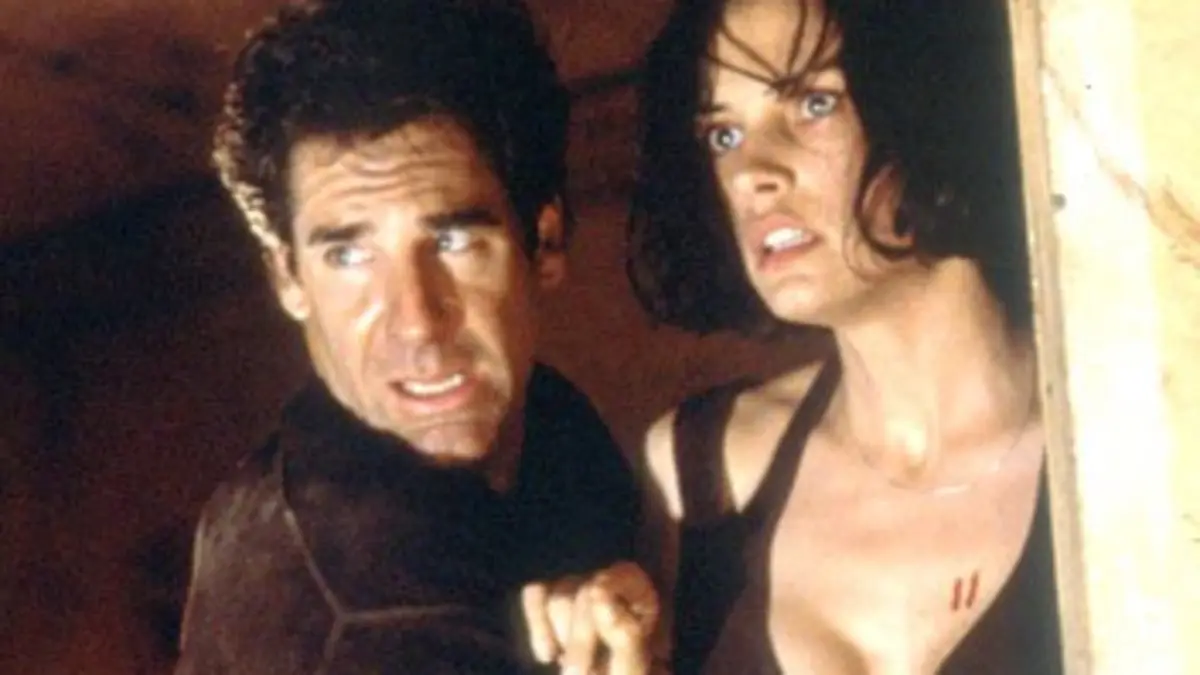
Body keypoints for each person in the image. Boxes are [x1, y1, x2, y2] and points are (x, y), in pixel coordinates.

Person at [173, 0, 654, 672]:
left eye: (454, 242)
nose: (418, 323)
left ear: (544, 242)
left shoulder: (556, 433)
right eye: (349, 255)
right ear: (289, 277)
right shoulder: (357, 612)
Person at [623, 0, 1065, 672]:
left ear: (931, 99)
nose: (750, 172)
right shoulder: (699, 473)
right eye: (724, 135)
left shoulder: (1127, 439)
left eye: (814, 104)